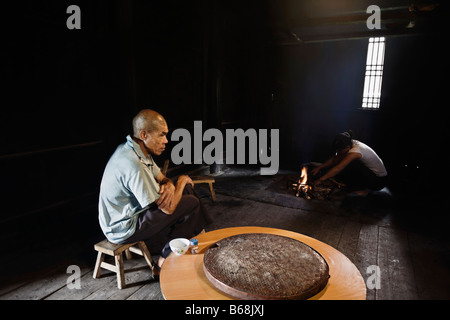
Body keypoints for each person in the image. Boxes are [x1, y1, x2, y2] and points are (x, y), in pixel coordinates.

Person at [98, 109, 212, 273]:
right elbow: (169, 208)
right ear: (144, 134)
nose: (166, 140)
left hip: (129, 214)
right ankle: (164, 259)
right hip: (123, 227)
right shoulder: (134, 165)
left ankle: (196, 235)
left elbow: (161, 177)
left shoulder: (137, 148)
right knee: (191, 202)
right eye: (161, 135)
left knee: (186, 188)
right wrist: (178, 182)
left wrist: (170, 184)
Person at [311, 131, 388, 195]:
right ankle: (352, 186)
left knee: (351, 163)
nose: (338, 152)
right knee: (343, 160)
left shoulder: (355, 151)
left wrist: (320, 180)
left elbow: (339, 167)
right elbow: (335, 158)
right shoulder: (349, 143)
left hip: (378, 181)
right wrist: (320, 167)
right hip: (371, 176)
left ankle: (363, 191)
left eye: (339, 151)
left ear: (347, 147)